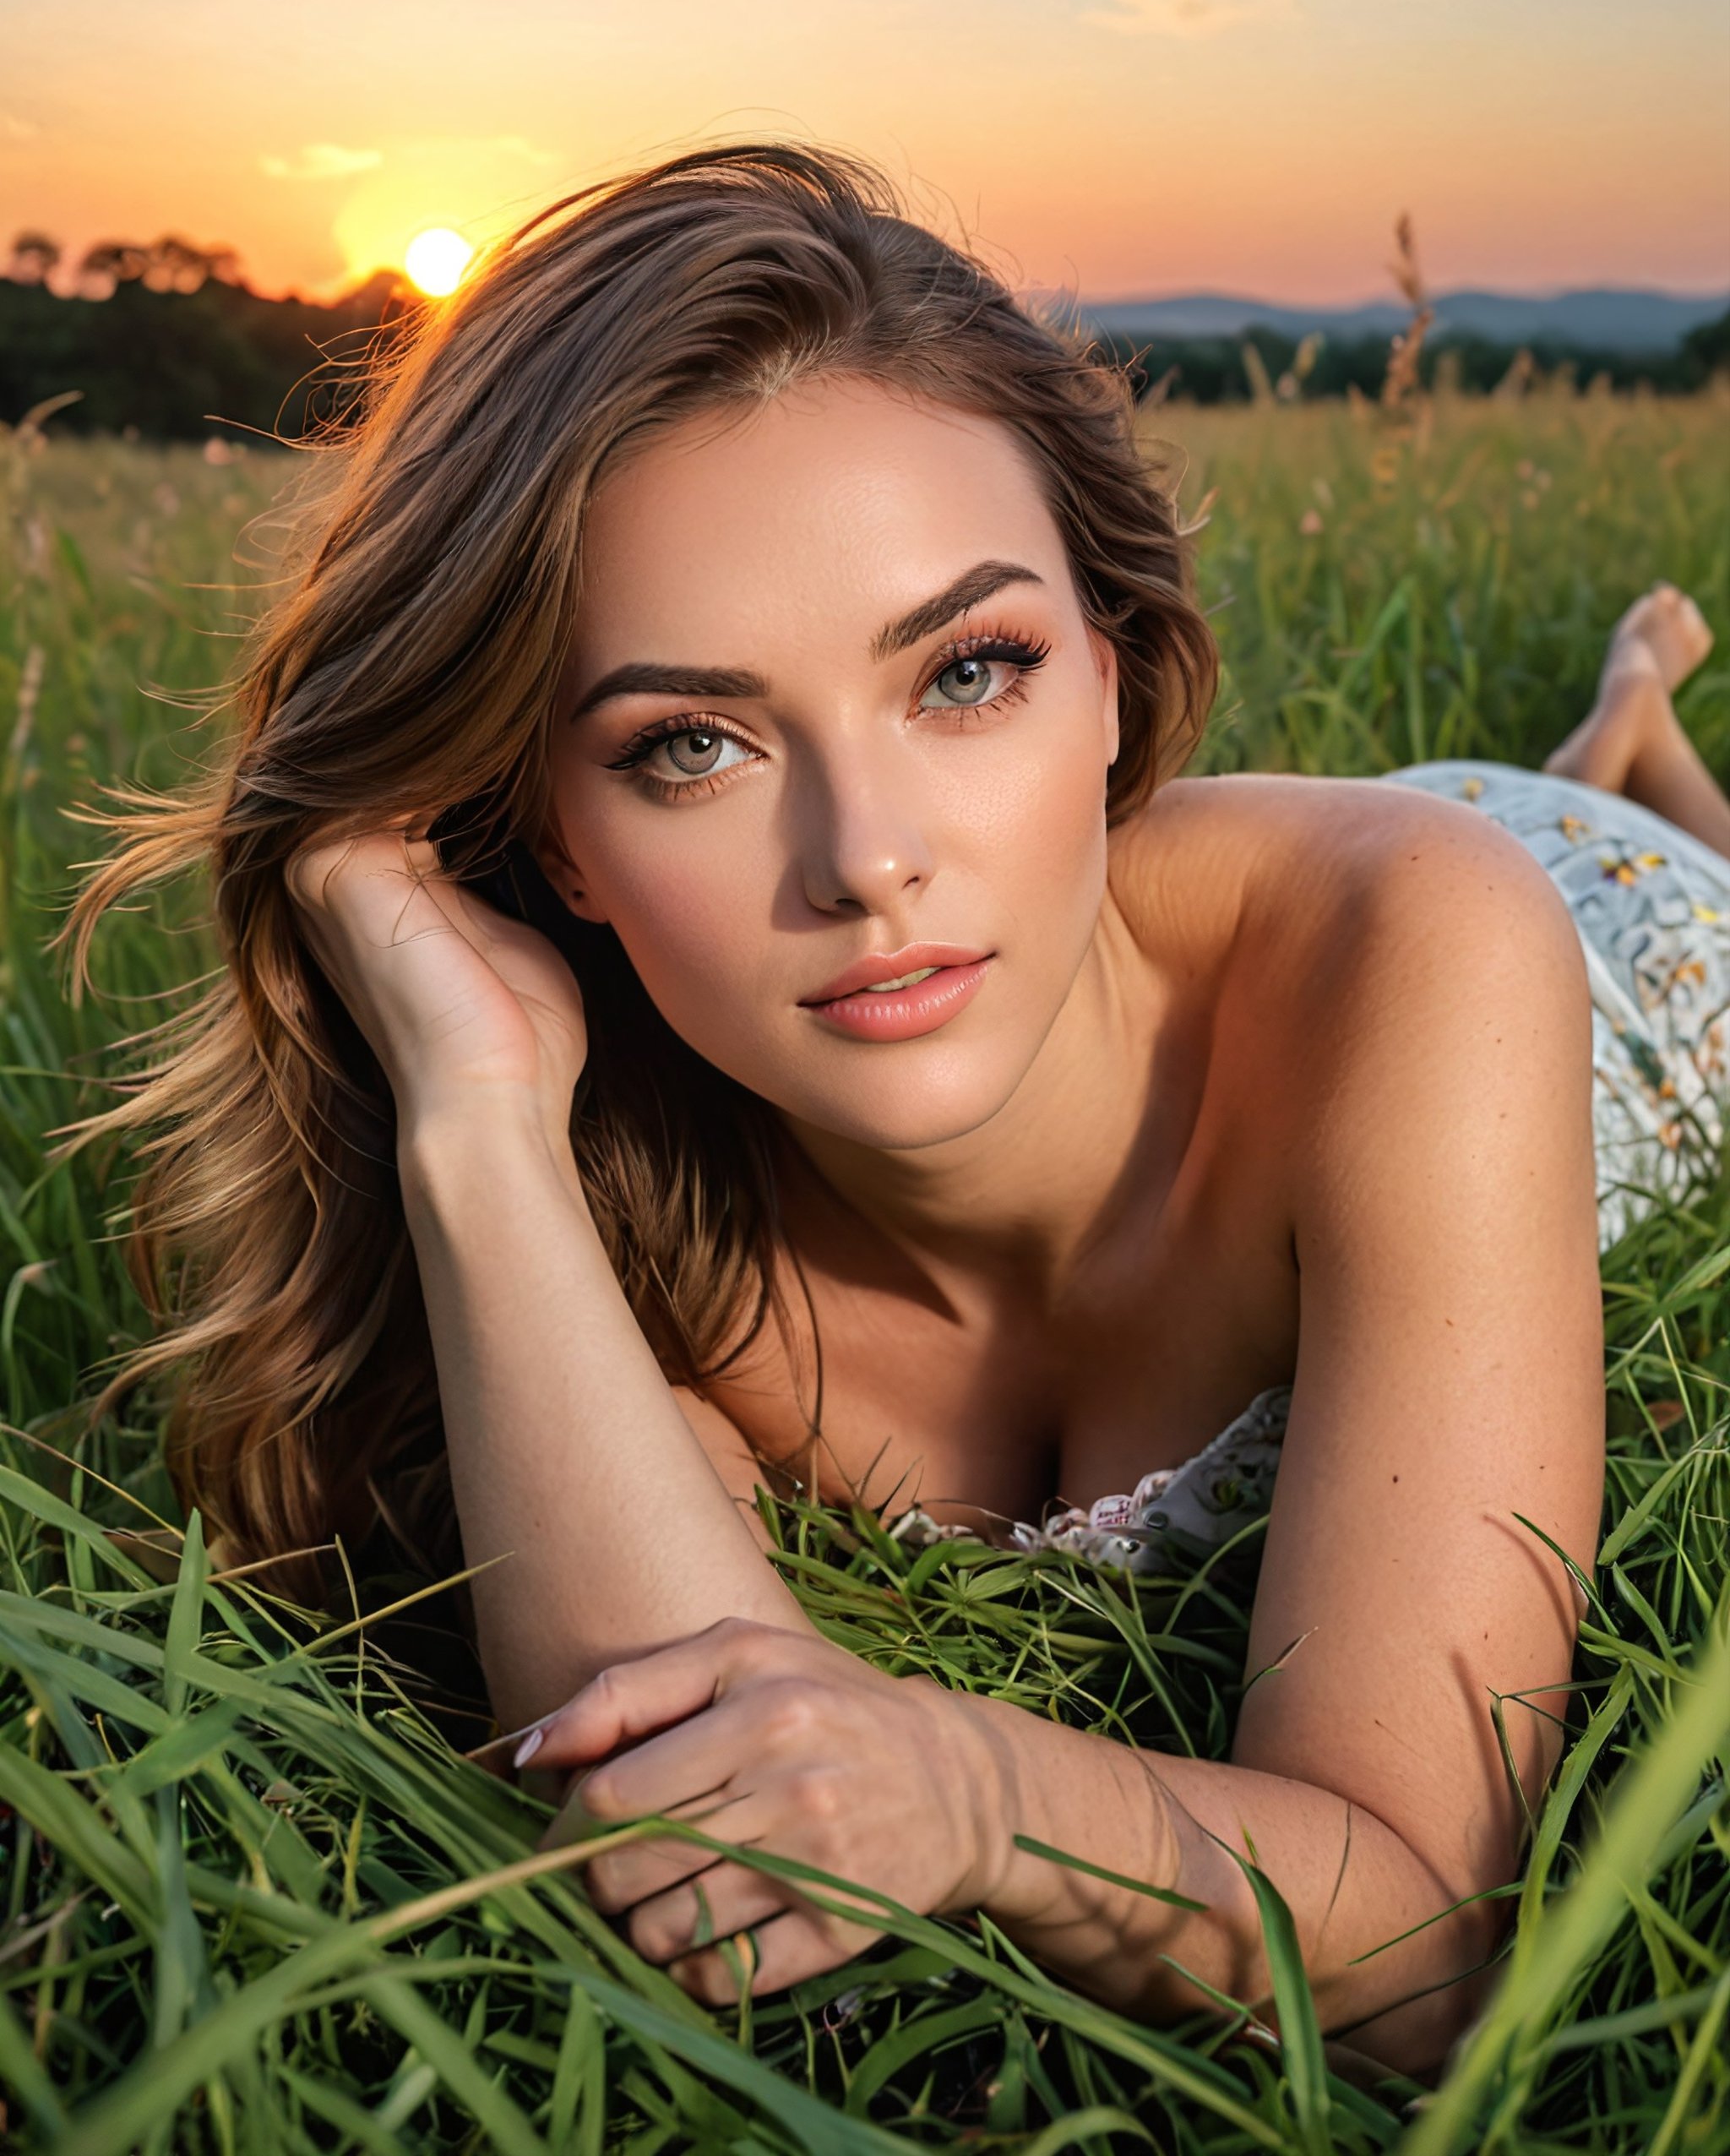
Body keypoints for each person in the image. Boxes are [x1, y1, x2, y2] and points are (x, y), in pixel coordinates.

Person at [55, 142, 1729, 2078]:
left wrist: (969, 1785)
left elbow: (1419, 1953)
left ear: (1112, 669)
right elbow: (698, 1850)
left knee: (1617, 840)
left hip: (1604, 947)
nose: (870, 865)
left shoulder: (1418, 944)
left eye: (968, 671)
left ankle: (1627, 744)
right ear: (549, 842)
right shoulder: (633, 1226)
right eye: (690, 745)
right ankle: (1616, 713)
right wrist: (476, 1116)